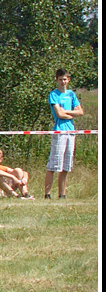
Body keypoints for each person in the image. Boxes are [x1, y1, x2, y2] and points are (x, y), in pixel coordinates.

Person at [44, 68, 84, 199]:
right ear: (57, 80)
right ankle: (47, 194)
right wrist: (70, 113)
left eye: (65, 79)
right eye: (60, 79)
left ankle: (62, 194)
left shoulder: (71, 94)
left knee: (66, 165)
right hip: (59, 130)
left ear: (68, 80)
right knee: (54, 164)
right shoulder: (53, 95)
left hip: (70, 131)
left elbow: (80, 112)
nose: (63, 82)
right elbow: (59, 114)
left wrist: (67, 113)